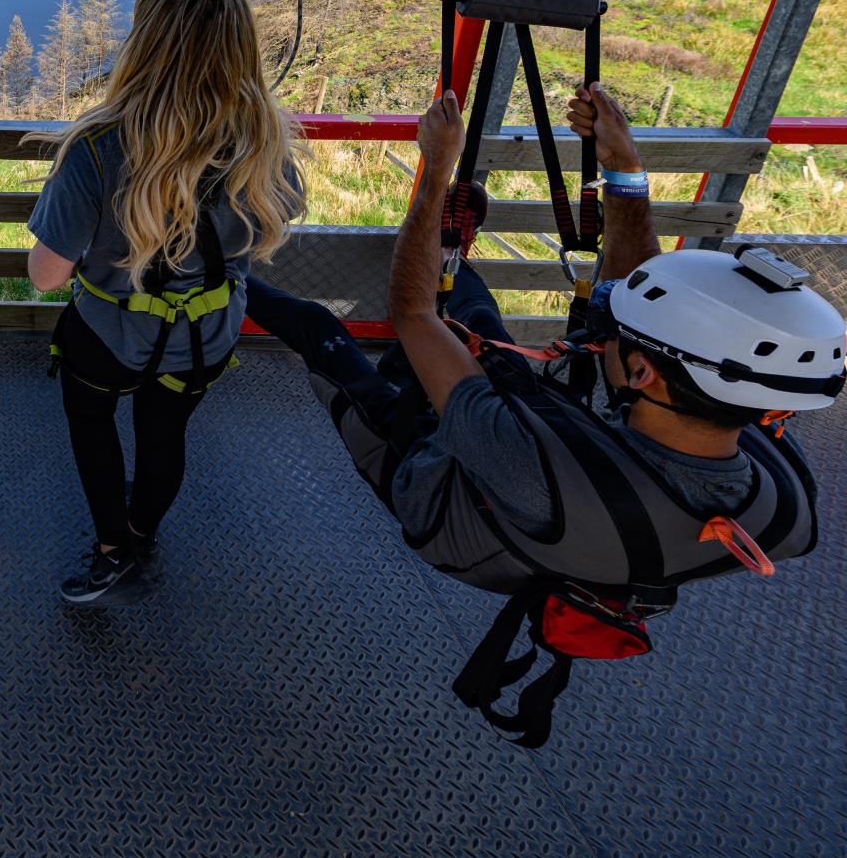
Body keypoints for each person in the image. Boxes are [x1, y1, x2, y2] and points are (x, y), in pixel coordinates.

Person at [245, 81, 837, 744]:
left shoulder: (523, 457)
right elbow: (632, 311)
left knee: (324, 332)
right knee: (477, 319)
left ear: (640, 371)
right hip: (576, 500)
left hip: (446, 497)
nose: (613, 334)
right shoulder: (783, 507)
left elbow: (411, 315)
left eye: (627, 341)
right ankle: (453, 264)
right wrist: (624, 173)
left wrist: (435, 170)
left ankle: (217, 271)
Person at [26, 0, 303, 607]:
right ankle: (142, 536)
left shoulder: (97, 146)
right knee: (164, 433)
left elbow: (45, 277)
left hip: (108, 337)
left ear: (145, 39)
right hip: (204, 338)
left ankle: (111, 549)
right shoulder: (267, 142)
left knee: (94, 425)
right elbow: (272, 226)